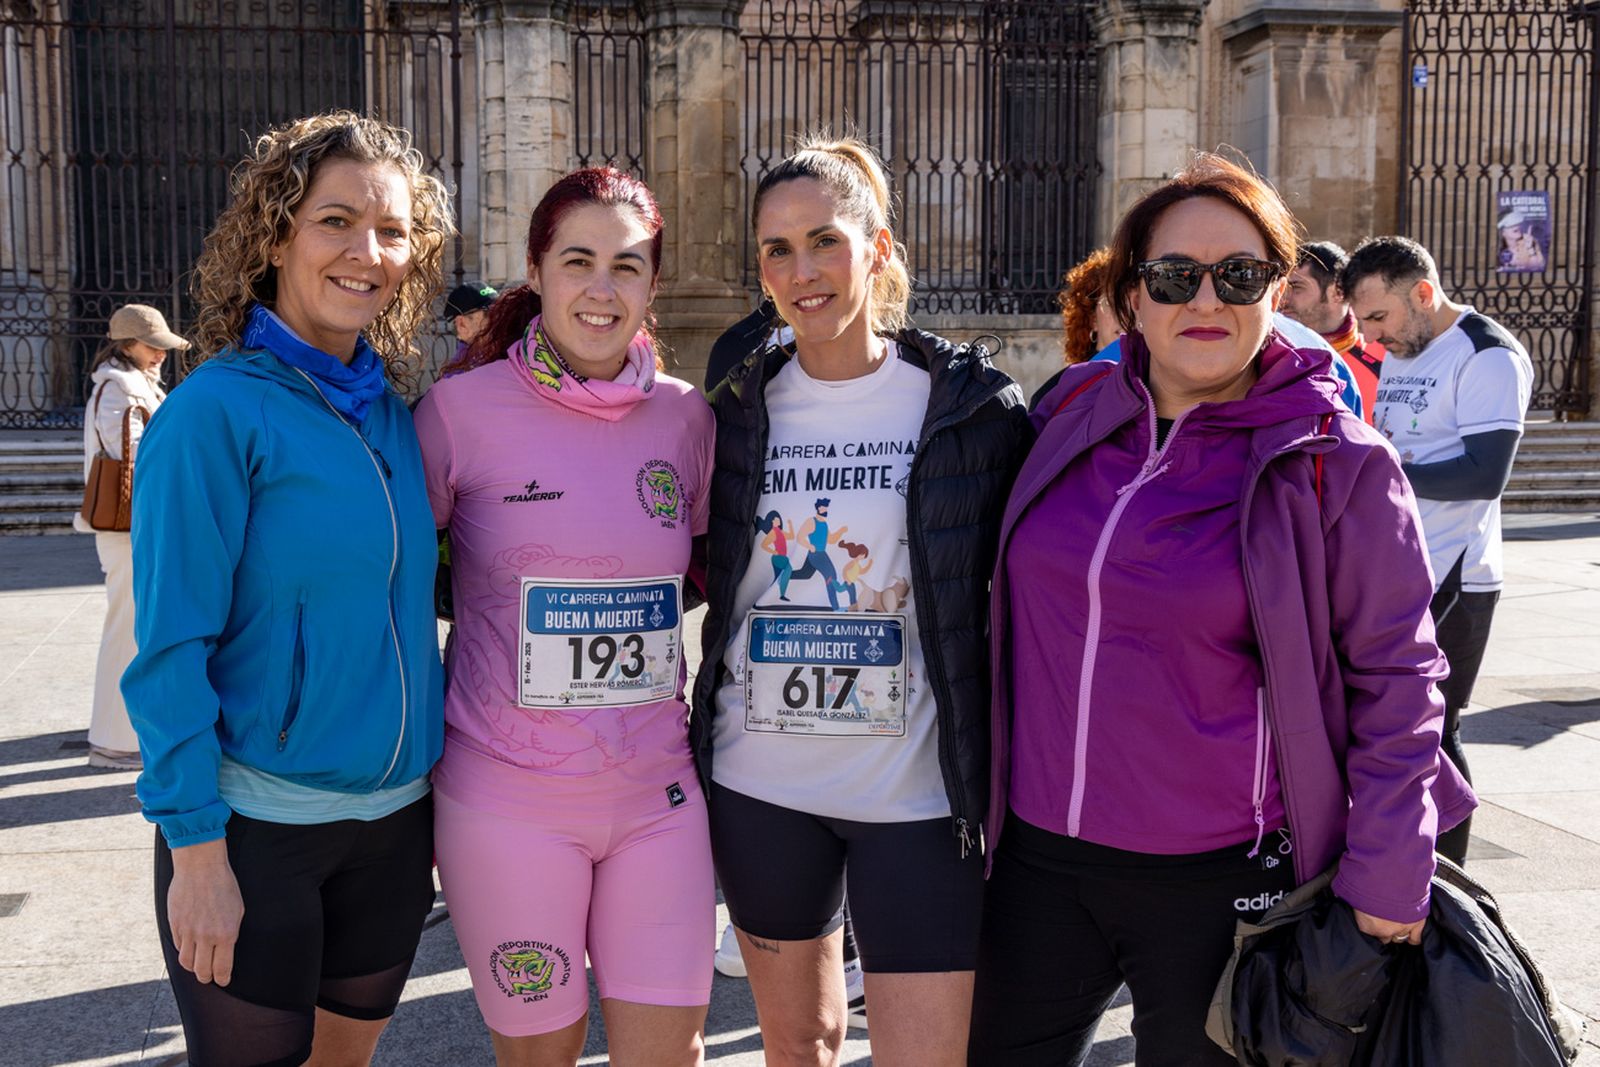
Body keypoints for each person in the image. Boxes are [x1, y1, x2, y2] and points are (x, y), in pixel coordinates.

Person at [970, 153, 1476, 1066]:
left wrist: (1390, 869)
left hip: (1221, 884)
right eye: (1174, 276)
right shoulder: (1072, 411)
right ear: (1132, 295)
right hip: (1039, 860)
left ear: (1277, 288)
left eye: (1238, 275)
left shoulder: (1338, 462)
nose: (1206, 301)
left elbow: (1401, 680)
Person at [691, 135, 1032, 1067]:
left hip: (918, 792)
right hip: (762, 782)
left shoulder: (970, 406)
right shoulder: (733, 407)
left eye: (825, 241)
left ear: (877, 248)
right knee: (798, 1046)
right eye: (776, 250)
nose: (802, 272)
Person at [121, 111, 452, 1067]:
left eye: (392, 232)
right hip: (256, 831)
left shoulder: (389, 412)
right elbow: (171, 647)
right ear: (275, 235)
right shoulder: (213, 412)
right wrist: (195, 851)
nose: (368, 252)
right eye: (336, 221)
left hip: (393, 826)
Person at [414, 166, 716, 1067]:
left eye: (626, 266)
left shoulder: (686, 418)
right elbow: (386, 575)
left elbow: (702, 572)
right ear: (536, 272)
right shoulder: (458, 413)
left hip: (658, 804)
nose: (601, 287)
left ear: (652, 285)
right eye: (577, 260)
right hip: (507, 809)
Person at [1343, 235, 1533, 866]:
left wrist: (1384, 470)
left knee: (1437, 729)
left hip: (1457, 576)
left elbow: (1484, 476)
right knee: (1390, 724)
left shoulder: (1487, 356)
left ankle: (1451, 883)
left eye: (1379, 318)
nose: (1372, 338)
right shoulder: (1406, 348)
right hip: (1401, 563)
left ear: (1423, 294)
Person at [74, 304, 188, 771]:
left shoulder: (135, 385)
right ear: (127, 345)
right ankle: (115, 739)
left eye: (163, 344)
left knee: (134, 627)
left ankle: (121, 731)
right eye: (152, 344)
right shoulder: (118, 389)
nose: (161, 353)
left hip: (138, 524)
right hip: (128, 527)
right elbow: (138, 457)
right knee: (127, 629)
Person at [1281, 240, 1385, 423]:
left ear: (1338, 292)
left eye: (1296, 288)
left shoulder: (1384, 357)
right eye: (1282, 288)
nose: (1283, 300)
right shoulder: (1270, 357)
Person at [1029, 247, 1125, 407]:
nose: (1125, 315)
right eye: (1114, 304)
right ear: (1093, 318)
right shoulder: (1053, 394)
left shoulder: (1160, 385)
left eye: (1134, 304)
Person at [444, 280, 498, 362]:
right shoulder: (461, 373)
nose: (500, 316)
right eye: (490, 311)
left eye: (501, 308)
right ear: (462, 324)